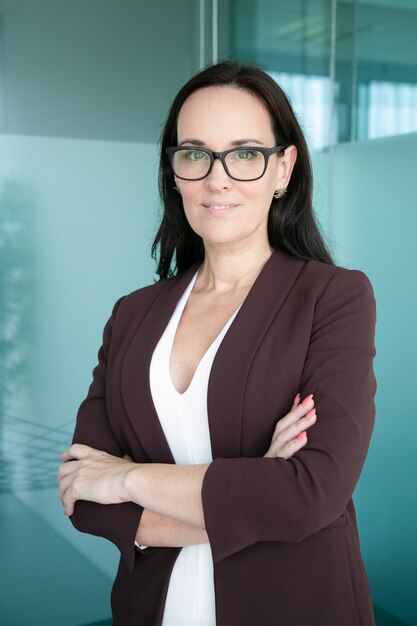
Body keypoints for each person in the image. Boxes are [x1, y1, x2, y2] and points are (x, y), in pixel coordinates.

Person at [58, 61, 377, 626]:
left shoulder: (333, 298)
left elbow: (311, 494)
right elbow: (84, 498)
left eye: (246, 153)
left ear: (284, 169)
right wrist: (257, 485)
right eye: (195, 153)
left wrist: (128, 479)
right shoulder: (134, 314)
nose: (217, 177)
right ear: (174, 171)